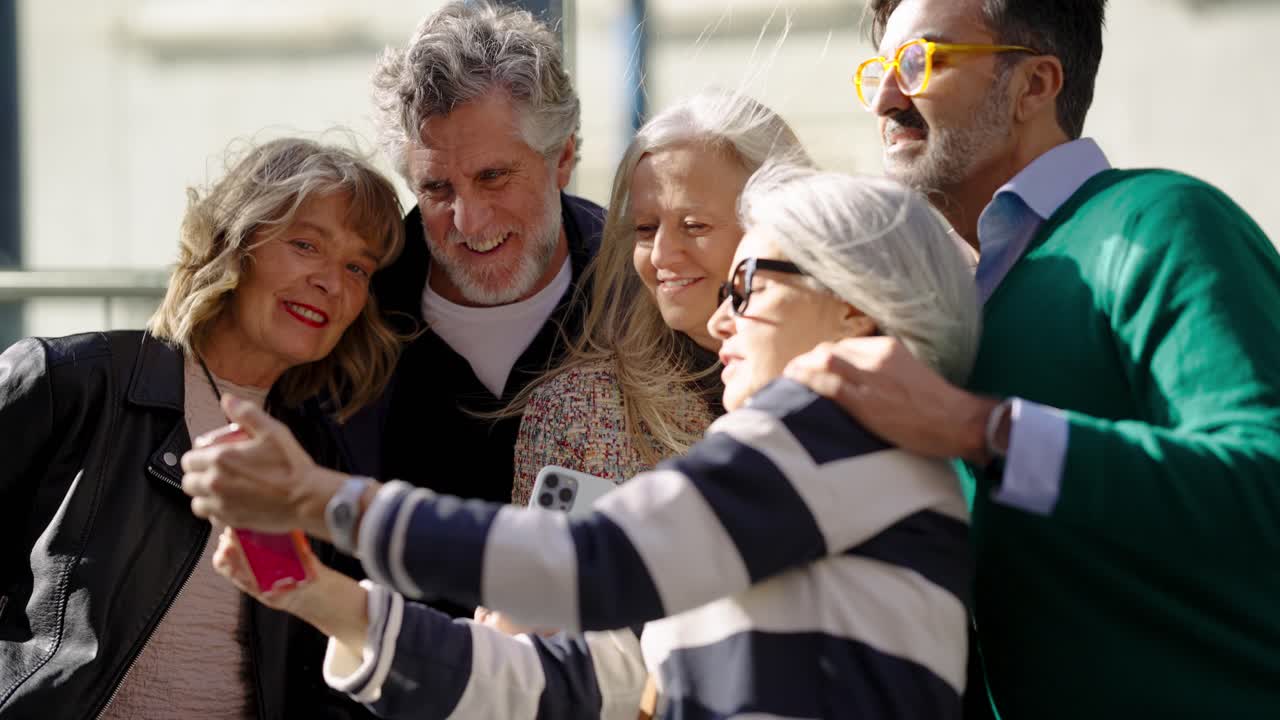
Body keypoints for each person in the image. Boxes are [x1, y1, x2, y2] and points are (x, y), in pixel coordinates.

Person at [182, 165, 980, 719]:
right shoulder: (836, 473)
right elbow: (586, 687)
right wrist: (321, 597)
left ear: (856, 310)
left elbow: (591, 563)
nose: (722, 316)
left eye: (750, 284)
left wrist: (318, 500)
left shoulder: (830, 433)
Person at [782, 0, 1280, 716]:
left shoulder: (1161, 221)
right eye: (879, 70)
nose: (887, 97)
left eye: (920, 62)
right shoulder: (941, 305)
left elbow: (1265, 485)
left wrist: (976, 429)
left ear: (1036, 86)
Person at [0, 137, 405, 719]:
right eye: (305, 245)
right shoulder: (73, 382)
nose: (331, 282)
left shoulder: (320, 459)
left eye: (357, 267)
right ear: (235, 244)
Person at [340, 1, 604, 532]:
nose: (469, 220)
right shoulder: (351, 309)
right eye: (437, 188)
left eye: (493, 176)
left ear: (564, 158)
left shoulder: (644, 290)